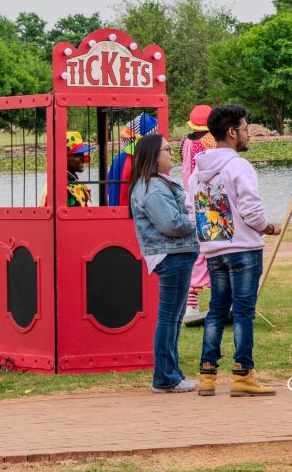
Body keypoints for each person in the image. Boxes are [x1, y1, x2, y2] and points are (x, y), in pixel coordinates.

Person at [193, 105, 281, 397]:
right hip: (243, 249)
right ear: (232, 132)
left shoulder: (197, 172)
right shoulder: (239, 167)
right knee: (243, 312)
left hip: (214, 249)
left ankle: (207, 375)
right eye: (245, 129)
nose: (248, 135)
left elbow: (193, 211)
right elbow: (252, 211)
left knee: (216, 311)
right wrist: (268, 227)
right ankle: (243, 374)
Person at [128, 134, 199, 393]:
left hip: (176, 255)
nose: (172, 153)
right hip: (172, 257)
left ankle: (172, 373)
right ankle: (165, 377)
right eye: (168, 149)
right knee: (169, 319)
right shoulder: (153, 188)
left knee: (174, 318)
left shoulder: (159, 183)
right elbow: (171, 224)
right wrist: (199, 219)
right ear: (155, 157)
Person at [181, 105, 216, 326]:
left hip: (190, 196)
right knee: (213, 248)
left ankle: (191, 303)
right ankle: (217, 300)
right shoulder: (210, 141)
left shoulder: (186, 140)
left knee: (197, 251)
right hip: (208, 198)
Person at [107, 113, 158, 207]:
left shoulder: (118, 158)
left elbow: (111, 188)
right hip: (142, 212)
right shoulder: (151, 159)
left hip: (120, 210)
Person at [65, 131, 96, 207]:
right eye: (78, 155)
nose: (83, 159)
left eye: (82, 155)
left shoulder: (73, 179)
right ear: (64, 157)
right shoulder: (60, 186)